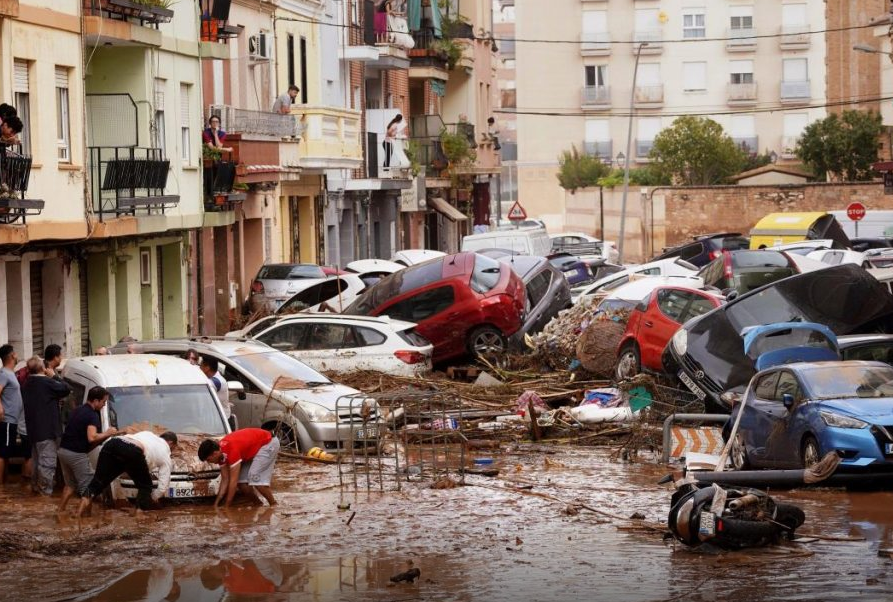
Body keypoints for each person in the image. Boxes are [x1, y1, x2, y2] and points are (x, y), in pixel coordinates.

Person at [77, 430, 178, 517]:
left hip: (112, 443)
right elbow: (163, 486)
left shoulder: (149, 434)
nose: (173, 450)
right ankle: (139, 515)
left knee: (98, 481)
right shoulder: (166, 454)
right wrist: (153, 498)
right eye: (174, 447)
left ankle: (78, 515)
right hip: (133, 451)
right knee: (146, 486)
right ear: (170, 443)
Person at [57, 386, 118, 513]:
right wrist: (107, 433)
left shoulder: (78, 410)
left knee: (70, 484)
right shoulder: (92, 415)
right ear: (95, 401)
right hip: (76, 455)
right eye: (103, 402)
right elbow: (92, 437)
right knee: (90, 488)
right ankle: (83, 517)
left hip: (63, 451)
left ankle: (60, 511)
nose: (104, 405)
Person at [22, 346, 71, 495]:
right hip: (47, 431)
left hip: (34, 430)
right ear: (42, 368)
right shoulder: (46, 383)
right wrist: (54, 376)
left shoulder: (27, 383)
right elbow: (66, 389)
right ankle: (45, 495)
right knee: (47, 463)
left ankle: (36, 491)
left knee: (37, 462)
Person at [198, 428, 280, 508]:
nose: (209, 462)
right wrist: (216, 504)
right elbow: (225, 480)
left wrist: (227, 507)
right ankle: (258, 504)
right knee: (241, 483)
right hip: (254, 449)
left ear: (214, 454)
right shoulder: (220, 454)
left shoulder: (231, 450)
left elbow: (233, 482)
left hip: (269, 442)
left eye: (208, 460)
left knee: (255, 477)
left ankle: (273, 504)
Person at [13, 356, 42, 481]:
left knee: (27, 456)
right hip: (28, 427)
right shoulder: (33, 386)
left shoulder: (22, 384)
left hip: (22, 426)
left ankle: (25, 482)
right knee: (30, 456)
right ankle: (28, 480)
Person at [0, 345, 23, 484]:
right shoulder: (3, 374)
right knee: (2, 454)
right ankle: (1, 489)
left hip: (12, 420)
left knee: (6, 454)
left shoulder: (10, 373)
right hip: (7, 419)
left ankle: (5, 483)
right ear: (12, 355)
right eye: (15, 352)